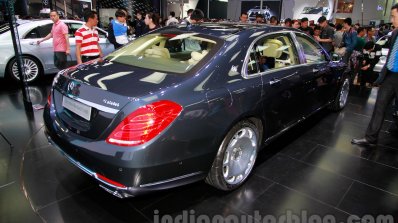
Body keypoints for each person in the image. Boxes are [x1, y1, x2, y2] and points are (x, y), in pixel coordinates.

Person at [351, 3, 398, 146]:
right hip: (390, 75)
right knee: (380, 105)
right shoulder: (394, 32)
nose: (392, 19)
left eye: (394, 16)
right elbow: (390, 54)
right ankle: (370, 138)